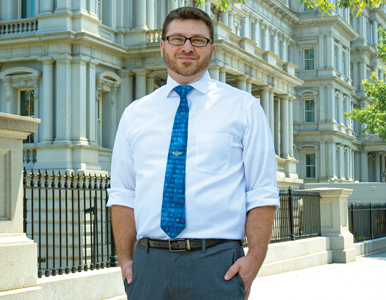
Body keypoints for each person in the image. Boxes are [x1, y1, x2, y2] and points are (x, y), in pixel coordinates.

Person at [107, 6, 279, 300]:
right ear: (162, 46)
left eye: (198, 40)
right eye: (177, 39)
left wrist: (254, 260)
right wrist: (126, 260)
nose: (187, 47)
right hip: (149, 266)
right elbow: (124, 192)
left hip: (216, 264)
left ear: (211, 49)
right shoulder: (135, 114)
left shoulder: (243, 107)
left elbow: (261, 191)